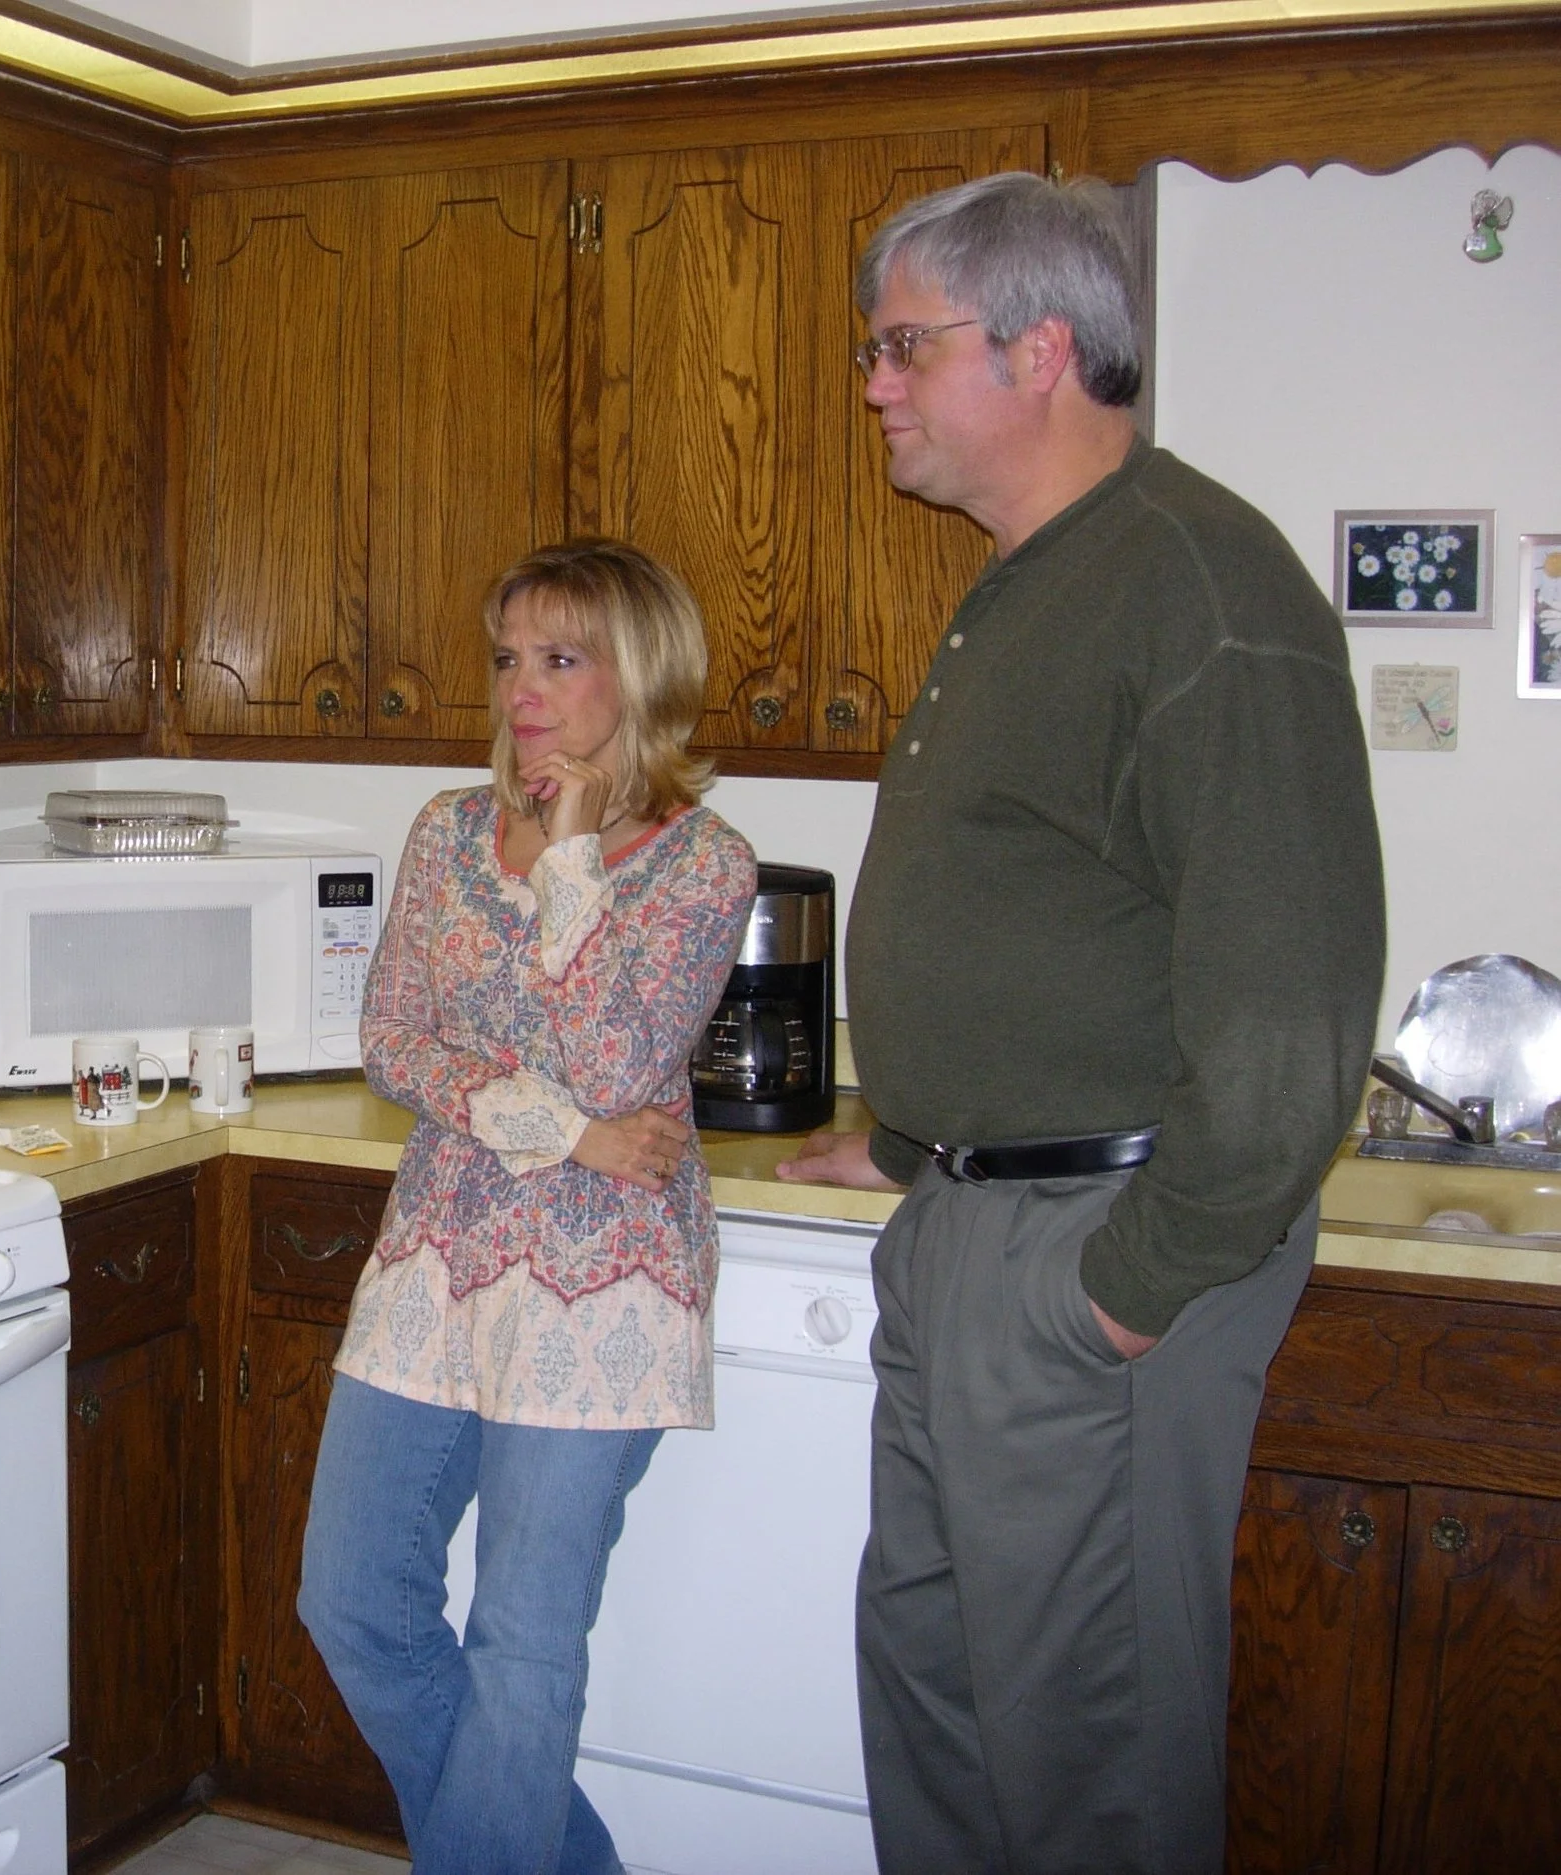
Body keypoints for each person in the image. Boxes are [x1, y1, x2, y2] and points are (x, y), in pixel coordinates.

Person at [778, 172, 1385, 1873]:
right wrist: (907, 1143)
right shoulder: (1031, 582)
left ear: (1041, 348)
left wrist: (1120, 1294)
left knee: (1086, 1767)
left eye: (902, 344)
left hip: (1093, 1254)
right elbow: (1050, 914)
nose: (875, 381)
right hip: (980, 1225)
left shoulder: (1198, 583)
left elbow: (1290, 1015)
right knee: (948, 1710)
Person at [297, 539, 757, 1873]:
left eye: (562, 659)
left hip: (601, 1287)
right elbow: (392, 1039)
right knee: (352, 1598)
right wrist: (561, 1129)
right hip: (436, 1258)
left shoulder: (706, 864)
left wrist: (569, 856)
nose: (523, 691)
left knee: (524, 1643)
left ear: (643, 674)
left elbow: (620, 1050)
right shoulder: (444, 830)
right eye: (510, 658)